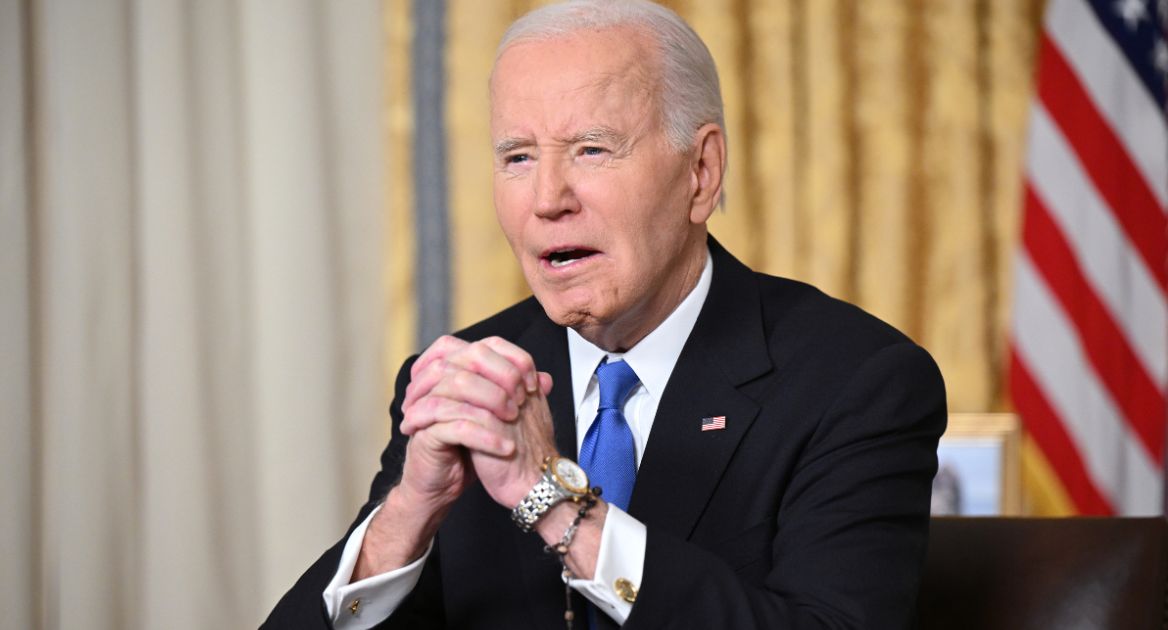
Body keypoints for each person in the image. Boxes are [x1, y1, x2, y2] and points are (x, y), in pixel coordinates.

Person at [263, 1, 946, 628]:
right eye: (518, 157)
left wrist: (555, 504)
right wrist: (407, 515)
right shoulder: (473, 380)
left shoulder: (856, 381)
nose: (548, 198)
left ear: (700, 173)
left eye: (591, 149)